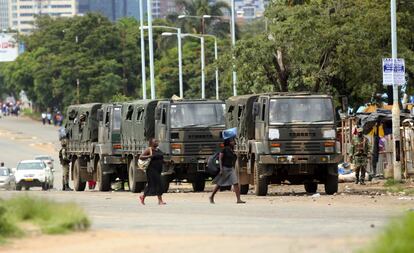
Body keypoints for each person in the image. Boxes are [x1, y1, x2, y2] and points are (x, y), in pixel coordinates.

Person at [209, 138, 245, 204]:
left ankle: (238, 199)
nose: (233, 142)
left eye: (233, 141)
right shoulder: (224, 149)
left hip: (231, 169)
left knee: (235, 183)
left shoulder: (232, 149)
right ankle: (211, 196)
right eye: (232, 141)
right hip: (225, 168)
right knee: (219, 184)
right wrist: (221, 169)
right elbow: (220, 159)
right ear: (229, 142)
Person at [139, 138, 166, 205]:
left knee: (151, 184)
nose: (157, 142)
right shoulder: (149, 149)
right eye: (155, 141)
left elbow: (161, 159)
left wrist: (168, 162)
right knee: (158, 184)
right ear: (151, 143)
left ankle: (143, 196)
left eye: (157, 141)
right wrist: (150, 156)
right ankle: (160, 201)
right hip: (151, 170)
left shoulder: (158, 150)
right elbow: (141, 157)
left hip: (158, 170)